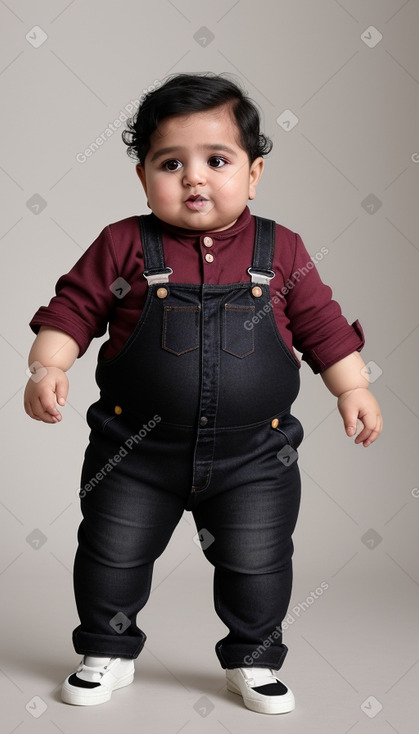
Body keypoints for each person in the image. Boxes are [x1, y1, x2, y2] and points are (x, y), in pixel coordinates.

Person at [24, 72, 382, 714]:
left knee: (258, 561)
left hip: (254, 459)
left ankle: (253, 656)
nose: (194, 178)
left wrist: (352, 385)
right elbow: (74, 308)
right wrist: (49, 365)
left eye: (217, 160)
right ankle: (106, 650)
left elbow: (323, 324)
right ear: (143, 177)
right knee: (111, 551)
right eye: (171, 163)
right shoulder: (125, 244)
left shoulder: (282, 249)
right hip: (134, 451)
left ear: (253, 173)